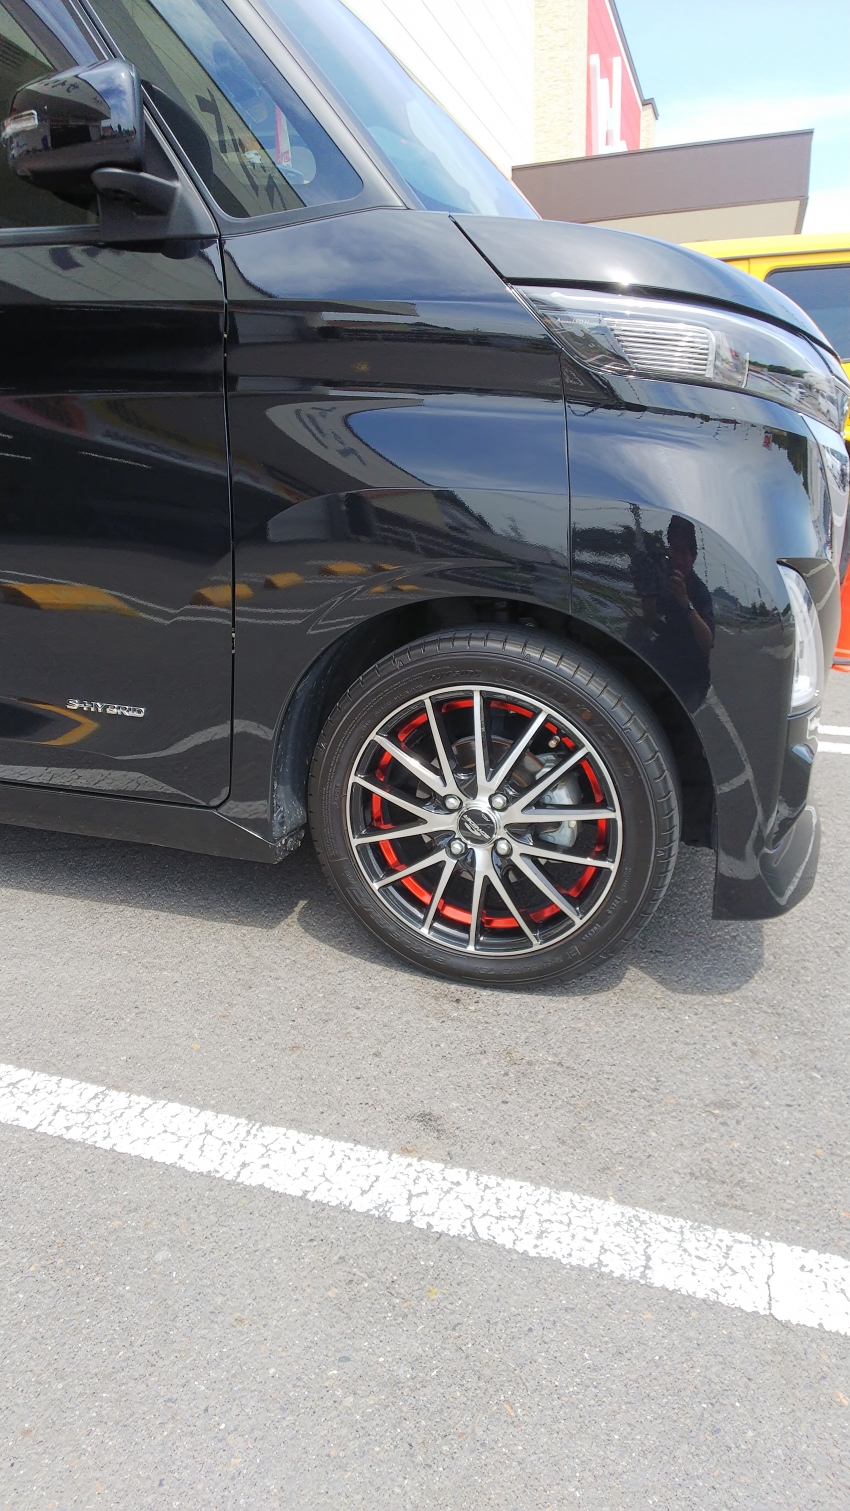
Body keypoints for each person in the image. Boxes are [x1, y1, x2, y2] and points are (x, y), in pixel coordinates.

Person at [634, 515, 715, 712]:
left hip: (690, 676)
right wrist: (648, 593)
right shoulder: (663, 579)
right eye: (674, 550)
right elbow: (651, 621)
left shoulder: (699, 591)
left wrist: (685, 603)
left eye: (683, 552)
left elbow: (707, 642)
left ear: (692, 557)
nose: (678, 559)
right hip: (663, 661)